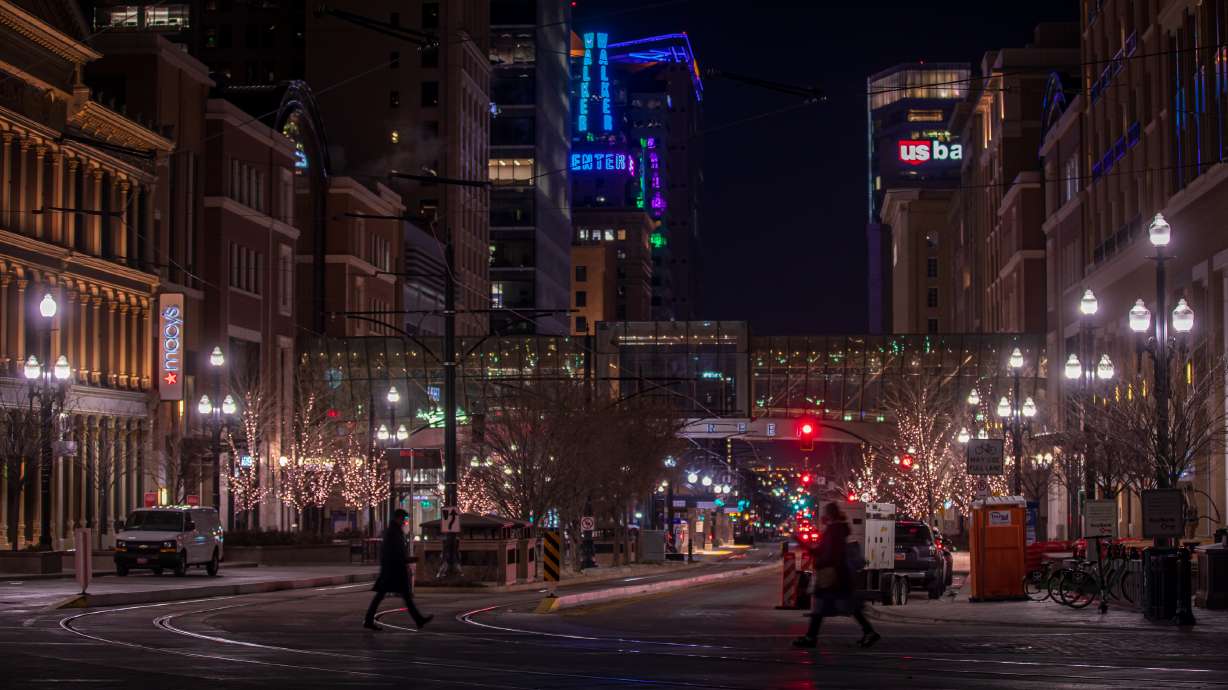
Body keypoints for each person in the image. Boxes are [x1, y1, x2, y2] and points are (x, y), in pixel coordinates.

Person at [792, 502, 880, 649]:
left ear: (830, 514)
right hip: (838, 575)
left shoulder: (833, 531)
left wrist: (802, 544)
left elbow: (825, 552)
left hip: (833, 575)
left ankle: (811, 637)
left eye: (826, 513)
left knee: (824, 607)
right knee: (844, 606)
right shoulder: (838, 529)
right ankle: (868, 631)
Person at [364, 509, 433, 631]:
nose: (404, 521)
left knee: (396, 595)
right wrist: (407, 559)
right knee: (387, 595)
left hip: (393, 569)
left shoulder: (394, 531)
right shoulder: (393, 532)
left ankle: (418, 619)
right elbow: (395, 551)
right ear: (398, 518)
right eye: (403, 519)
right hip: (393, 570)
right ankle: (369, 620)